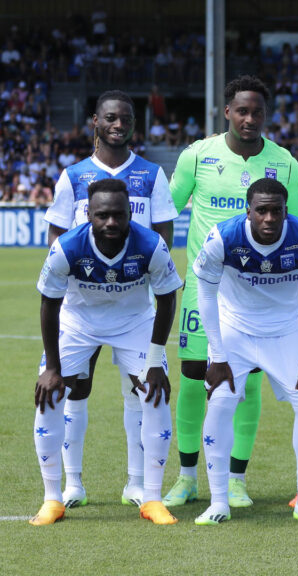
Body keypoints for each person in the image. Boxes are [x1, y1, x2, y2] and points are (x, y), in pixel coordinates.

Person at [167, 74, 298, 509]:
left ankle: (235, 480)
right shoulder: (198, 156)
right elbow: (166, 209)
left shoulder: (283, 162)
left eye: (257, 112)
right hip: (204, 289)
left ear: (265, 115)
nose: (249, 119)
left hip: (253, 295)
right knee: (193, 380)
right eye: (241, 111)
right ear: (227, 112)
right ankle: (186, 477)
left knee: (248, 385)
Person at [43, 90, 177, 509]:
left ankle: (137, 484)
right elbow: (57, 238)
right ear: (95, 123)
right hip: (81, 307)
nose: (119, 125)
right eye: (111, 118)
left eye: (126, 119)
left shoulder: (152, 174)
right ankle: (72, 485)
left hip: (134, 306)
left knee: (141, 392)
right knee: (75, 389)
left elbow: (163, 238)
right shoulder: (73, 176)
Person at [30, 178, 182, 526]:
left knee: (155, 394)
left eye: (118, 214)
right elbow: (49, 304)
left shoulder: (151, 245)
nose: (111, 222)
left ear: (130, 213)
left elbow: (166, 300)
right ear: (88, 214)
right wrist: (52, 367)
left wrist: (156, 360)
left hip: (134, 321)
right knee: (49, 395)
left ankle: (152, 499)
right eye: (102, 215)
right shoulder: (67, 247)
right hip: (78, 321)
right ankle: (52, 499)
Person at [192, 178, 298, 525]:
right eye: (262, 210)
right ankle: (218, 502)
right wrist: (217, 355)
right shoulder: (223, 237)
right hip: (235, 329)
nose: (269, 218)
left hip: (287, 330)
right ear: (249, 211)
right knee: (220, 402)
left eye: (277, 211)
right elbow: (205, 293)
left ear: (286, 211)